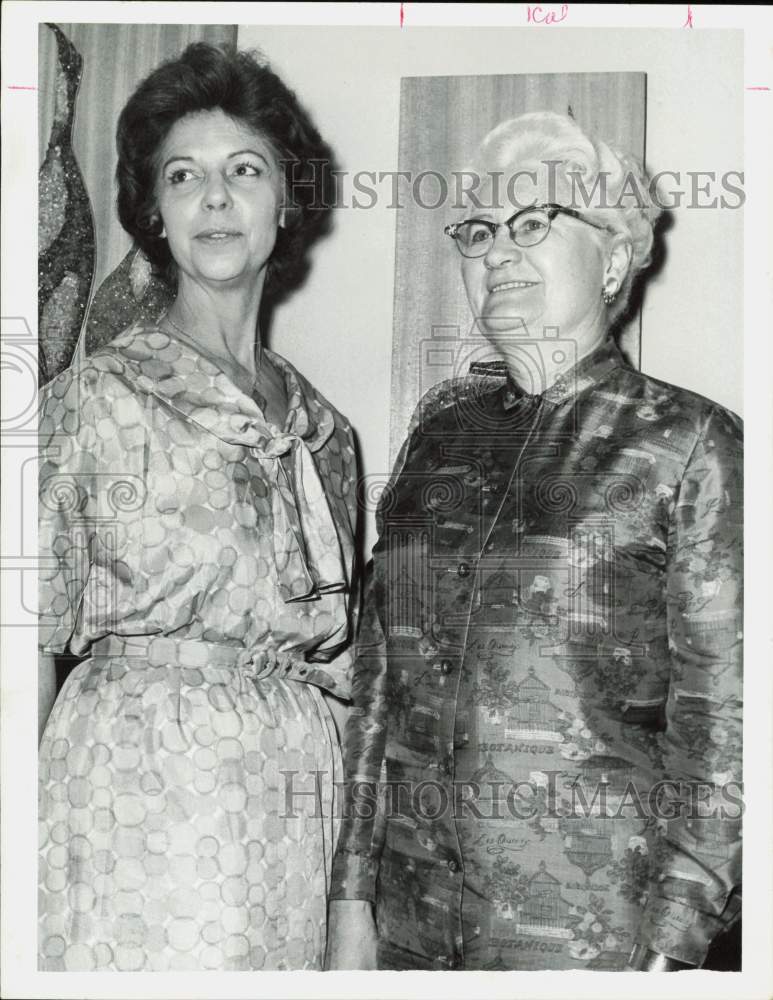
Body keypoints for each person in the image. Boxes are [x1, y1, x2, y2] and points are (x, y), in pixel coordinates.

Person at [326, 111, 742, 972]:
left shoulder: (689, 442)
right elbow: (378, 683)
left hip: (591, 939)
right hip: (407, 930)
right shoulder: (440, 431)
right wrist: (351, 896)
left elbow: (727, 726)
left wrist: (671, 949)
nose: (495, 252)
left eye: (533, 222)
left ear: (616, 255)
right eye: (479, 231)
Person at [38, 43, 357, 971]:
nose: (215, 199)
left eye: (243, 170)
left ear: (284, 200)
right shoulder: (93, 399)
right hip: (135, 795)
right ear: (157, 212)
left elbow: (337, 664)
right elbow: (23, 649)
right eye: (185, 177)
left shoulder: (326, 433)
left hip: (294, 802)